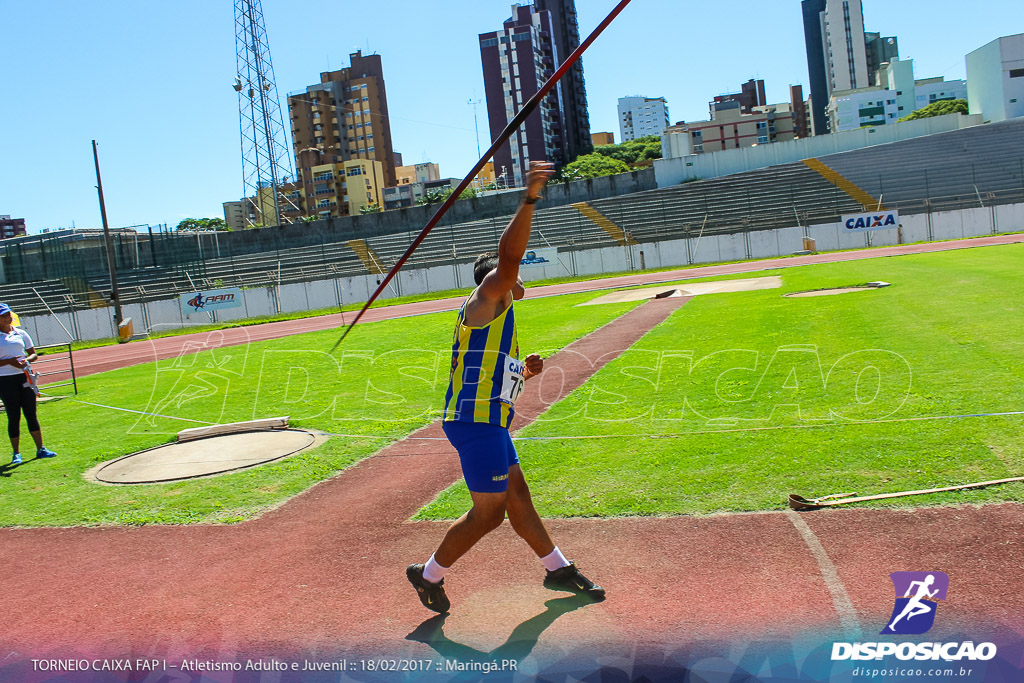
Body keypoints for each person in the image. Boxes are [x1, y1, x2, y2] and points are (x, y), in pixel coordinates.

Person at [407, 161, 604, 614]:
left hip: (488, 421)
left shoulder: (498, 316)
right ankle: (428, 574)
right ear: (496, 280)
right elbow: (509, 259)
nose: (520, 278)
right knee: (490, 513)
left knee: (517, 497)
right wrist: (530, 198)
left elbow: (491, 376)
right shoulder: (487, 298)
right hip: (475, 424)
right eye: (511, 274)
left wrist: (523, 374)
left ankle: (557, 569)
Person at [0, 303, 57, 465]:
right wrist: (9, 361)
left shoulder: (21, 333)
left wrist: (26, 360)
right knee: (14, 416)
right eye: (3, 316)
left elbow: (33, 354)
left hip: (25, 377)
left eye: (8, 315)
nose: (7, 318)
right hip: (5, 380)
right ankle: (16, 453)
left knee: (31, 413)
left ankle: (41, 449)